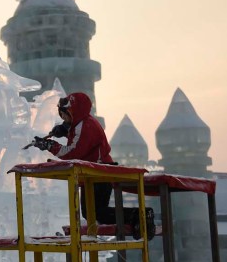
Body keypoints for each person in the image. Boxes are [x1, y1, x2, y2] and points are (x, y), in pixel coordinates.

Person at [31, 92, 155, 240]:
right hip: (91, 173)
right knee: (90, 214)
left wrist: (49, 145)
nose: (63, 118)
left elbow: (72, 153)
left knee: (98, 213)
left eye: (64, 115)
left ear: (73, 112)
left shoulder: (85, 126)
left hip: (100, 172)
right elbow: (77, 139)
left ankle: (139, 215)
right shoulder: (81, 123)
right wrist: (65, 130)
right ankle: (135, 218)